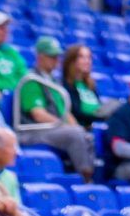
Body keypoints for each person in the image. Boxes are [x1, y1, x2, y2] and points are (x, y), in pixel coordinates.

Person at [13, 37, 93, 181]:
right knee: (74, 134)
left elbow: (65, 112)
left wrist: (76, 126)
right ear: (40, 57)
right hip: (32, 131)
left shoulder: (53, 81)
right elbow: (38, 114)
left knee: (85, 134)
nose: (56, 60)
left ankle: (90, 175)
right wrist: (64, 125)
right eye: (51, 56)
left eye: (57, 56)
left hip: (52, 129)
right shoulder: (31, 80)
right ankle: (85, 177)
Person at [60, 46, 101, 129]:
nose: (87, 61)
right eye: (82, 57)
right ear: (71, 61)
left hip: (93, 126)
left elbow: (98, 107)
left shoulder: (91, 85)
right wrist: (97, 116)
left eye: (89, 57)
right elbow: (75, 113)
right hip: (77, 129)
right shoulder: (64, 85)